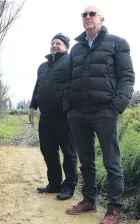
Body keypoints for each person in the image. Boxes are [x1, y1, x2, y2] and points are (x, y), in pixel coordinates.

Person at [63, 6, 135, 224]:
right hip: (78, 114)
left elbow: (127, 76)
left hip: (105, 112)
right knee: (85, 160)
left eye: (91, 14)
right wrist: (69, 107)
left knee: (112, 163)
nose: (87, 17)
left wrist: (117, 106)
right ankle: (88, 200)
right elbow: (69, 79)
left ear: (102, 19)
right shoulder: (75, 49)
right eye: (84, 14)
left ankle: (114, 209)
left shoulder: (117, 43)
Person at [29, 33, 78, 200]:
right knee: (48, 151)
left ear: (66, 47)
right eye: (52, 43)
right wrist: (33, 105)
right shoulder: (43, 66)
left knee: (69, 153)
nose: (54, 46)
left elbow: (76, 84)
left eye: (58, 43)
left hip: (65, 117)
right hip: (46, 117)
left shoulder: (70, 62)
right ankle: (54, 184)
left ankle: (69, 186)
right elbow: (38, 87)